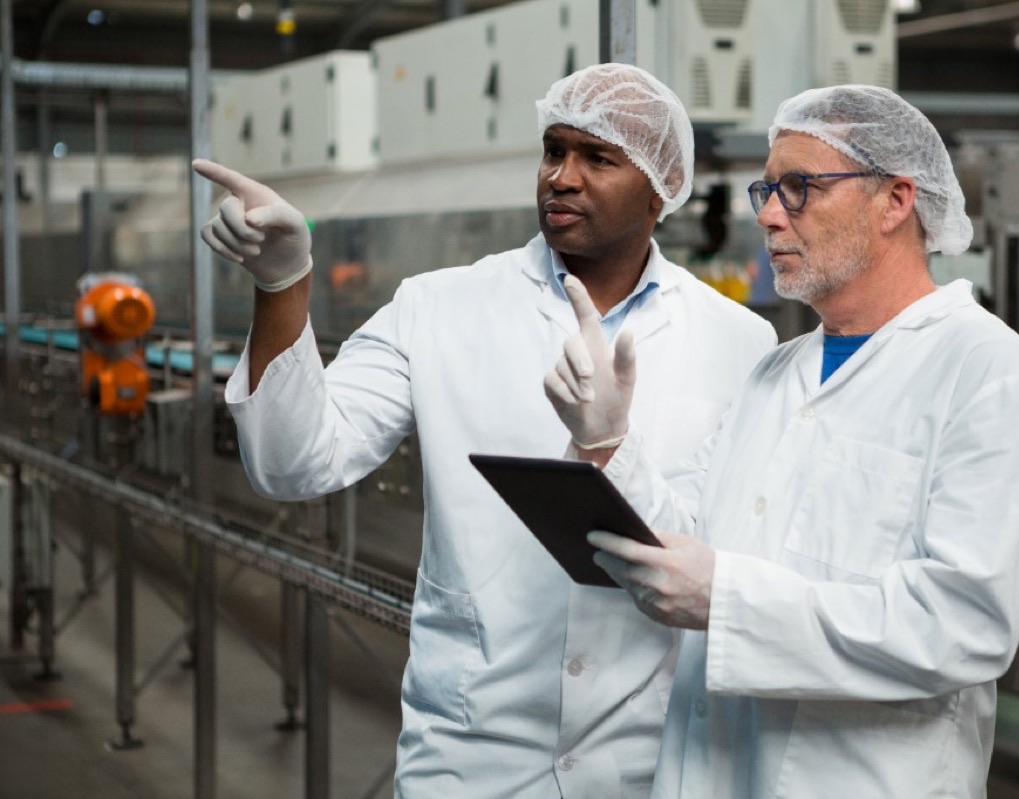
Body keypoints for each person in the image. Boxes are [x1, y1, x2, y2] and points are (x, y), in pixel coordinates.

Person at [193, 63, 776, 799]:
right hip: (471, 754)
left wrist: (610, 448)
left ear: (664, 186)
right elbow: (294, 463)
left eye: (598, 158)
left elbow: (722, 548)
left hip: (649, 759)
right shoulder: (437, 307)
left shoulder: (738, 341)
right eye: (554, 150)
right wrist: (281, 284)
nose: (561, 177)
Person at [544, 84, 1019, 798]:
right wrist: (607, 442)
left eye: (799, 188)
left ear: (895, 200)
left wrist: (727, 599)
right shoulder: (775, 373)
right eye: (767, 189)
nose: (767, 213)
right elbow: (686, 535)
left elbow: (962, 623)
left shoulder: (986, 372)